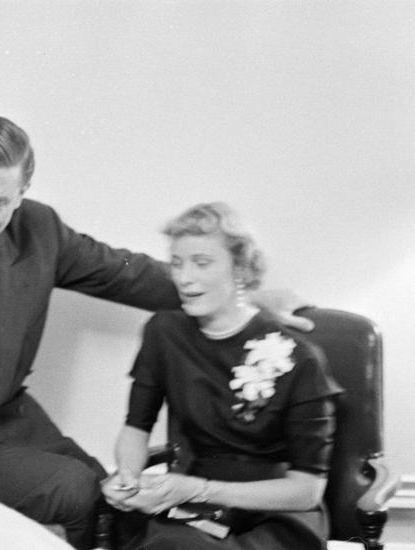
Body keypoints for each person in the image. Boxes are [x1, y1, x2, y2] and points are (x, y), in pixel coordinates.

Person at [0, 115, 306, 546]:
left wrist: (238, 293)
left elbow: (124, 273)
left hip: (10, 415)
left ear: (22, 193)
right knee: (79, 491)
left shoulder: (40, 229)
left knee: (111, 492)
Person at [100, 203, 336, 549]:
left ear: (240, 268)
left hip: (278, 507)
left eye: (202, 262)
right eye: (177, 263)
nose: (184, 277)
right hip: (194, 503)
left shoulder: (301, 357)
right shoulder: (163, 333)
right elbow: (136, 427)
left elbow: (307, 491)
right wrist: (128, 477)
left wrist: (200, 489)